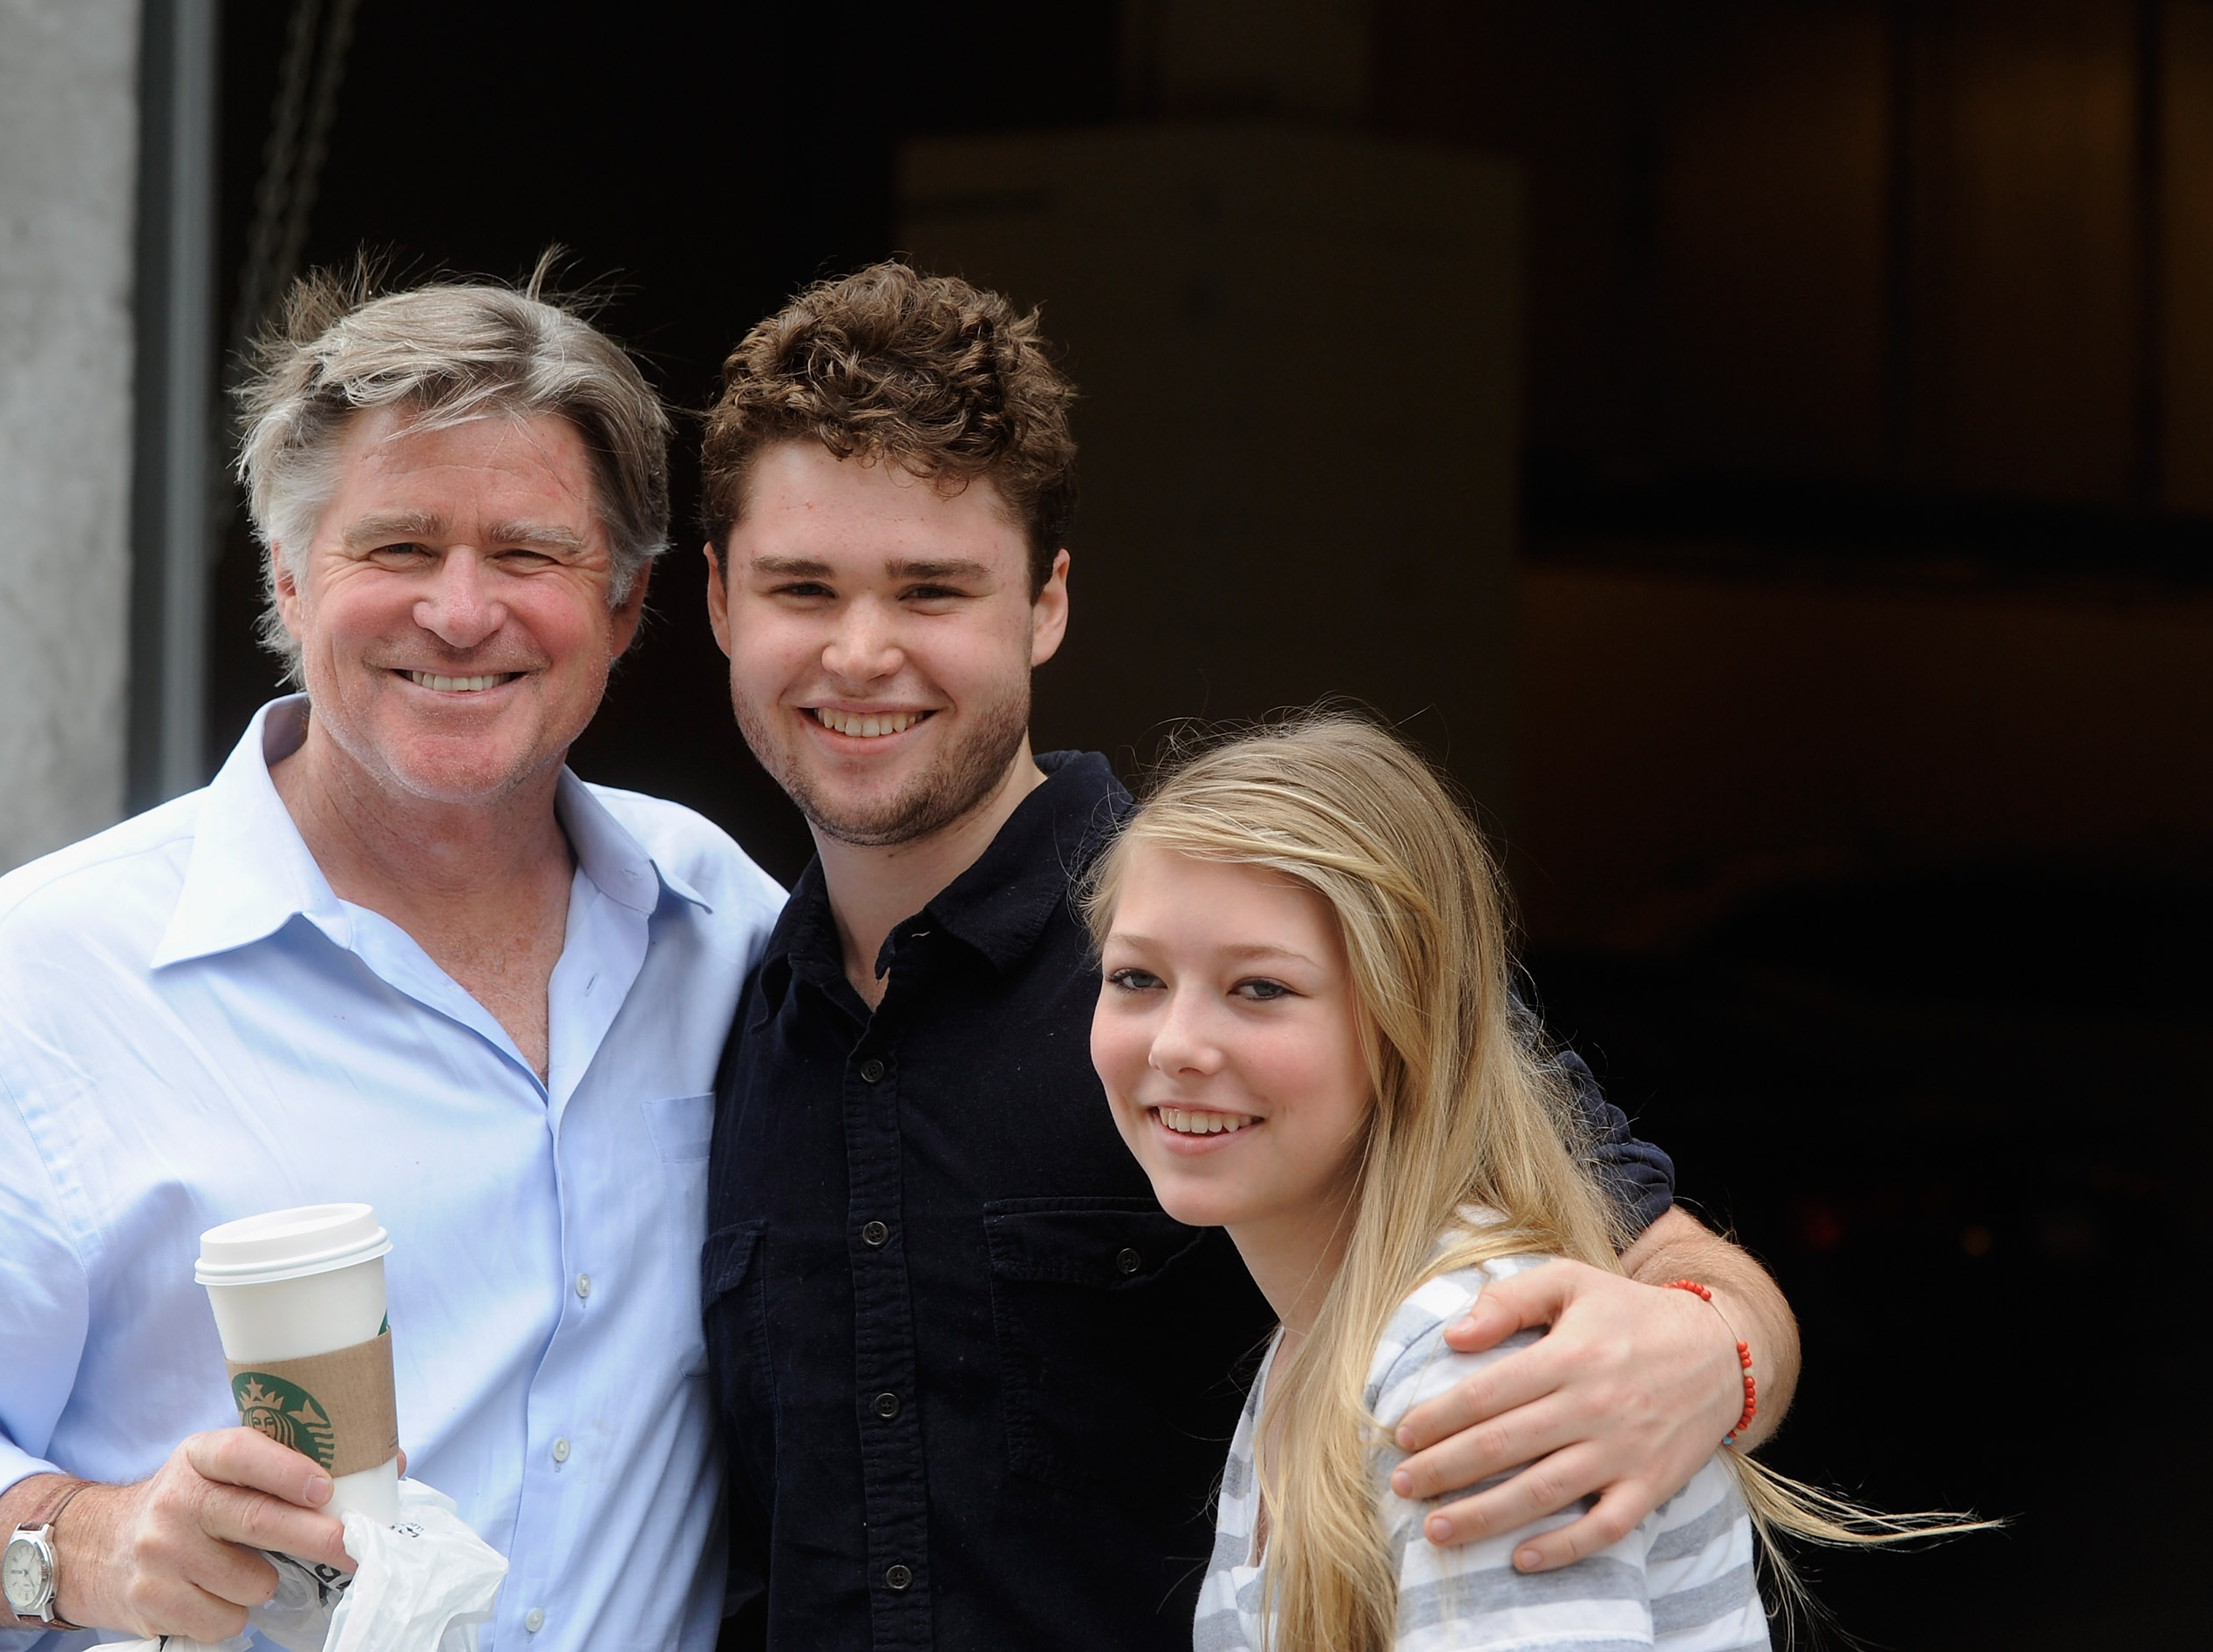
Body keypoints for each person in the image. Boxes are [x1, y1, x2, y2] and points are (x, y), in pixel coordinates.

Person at [698, 263, 1802, 1651]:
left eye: (932, 589)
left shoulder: (1235, 945)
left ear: (1043, 605)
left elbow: (1645, 1252)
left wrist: (1717, 1350)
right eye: (803, 586)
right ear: (723, 603)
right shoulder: (700, 1002)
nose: (863, 652)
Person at [0, 275, 784, 1652]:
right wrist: (85, 1541)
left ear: (628, 604)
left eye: (529, 554)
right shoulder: (60, 971)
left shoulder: (722, 923)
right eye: (396, 546)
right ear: (288, 577)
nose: (461, 614)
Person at [1086, 715, 1770, 1651]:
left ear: (1408, 1017)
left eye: (1260, 988)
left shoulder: (1467, 1354)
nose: (1175, 1044)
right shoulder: (1321, 1339)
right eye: (1136, 977)